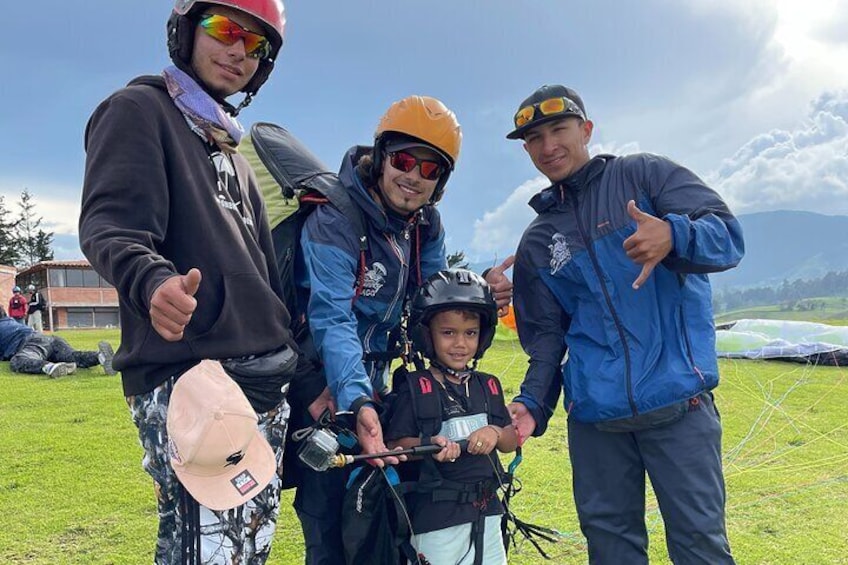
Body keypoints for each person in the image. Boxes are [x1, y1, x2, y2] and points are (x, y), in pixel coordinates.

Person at [78, 1, 296, 563]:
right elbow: (109, 224)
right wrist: (153, 283)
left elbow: (266, 279)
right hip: (194, 379)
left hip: (263, 382)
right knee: (210, 552)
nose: (238, 52)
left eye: (256, 46)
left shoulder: (234, 152)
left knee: (246, 546)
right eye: (225, 29)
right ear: (185, 29)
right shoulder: (137, 110)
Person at [505, 84, 744, 564]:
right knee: (611, 551)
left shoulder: (644, 176)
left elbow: (729, 238)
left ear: (586, 130)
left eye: (558, 129)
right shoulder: (538, 240)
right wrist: (532, 403)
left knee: (700, 548)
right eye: (534, 139)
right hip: (596, 423)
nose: (548, 146)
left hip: (679, 407)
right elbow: (548, 341)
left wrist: (673, 234)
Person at [282, 95, 514, 565]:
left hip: (377, 388)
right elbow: (332, 316)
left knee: (380, 517)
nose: (414, 176)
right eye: (404, 160)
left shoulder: (424, 226)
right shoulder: (336, 218)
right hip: (319, 383)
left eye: (430, 170)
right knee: (329, 519)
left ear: (441, 183)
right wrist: (357, 402)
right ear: (381, 156)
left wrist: (477, 295)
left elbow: (433, 299)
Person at [385, 269, 518, 565]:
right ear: (426, 334)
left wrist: (495, 433)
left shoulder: (489, 385)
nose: (460, 343)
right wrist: (430, 445)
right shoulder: (415, 388)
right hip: (436, 521)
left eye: (470, 333)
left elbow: (511, 440)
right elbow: (395, 448)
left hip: (488, 514)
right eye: (448, 333)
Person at [0, 307, 115, 378]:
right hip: (51, 339)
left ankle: (49, 367)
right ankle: (100, 356)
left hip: (32, 343)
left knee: (18, 361)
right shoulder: (10, 321)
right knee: (73, 356)